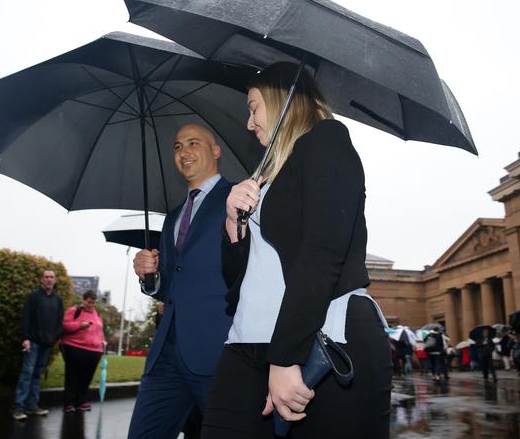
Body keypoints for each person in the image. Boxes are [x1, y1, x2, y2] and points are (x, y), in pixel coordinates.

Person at [201, 63, 392, 439]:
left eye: (254, 107)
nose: (249, 122)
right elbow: (240, 282)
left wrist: (286, 355)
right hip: (247, 342)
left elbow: (323, 254)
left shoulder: (328, 140)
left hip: (322, 340)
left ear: (280, 100)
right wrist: (233, 227)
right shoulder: (265, 174)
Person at [128, 123, 234, 439]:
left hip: (217, 352)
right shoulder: (173, 217)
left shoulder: (238, 199)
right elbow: (171, 288)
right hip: (167, 355)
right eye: (177, 146)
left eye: (193, 143)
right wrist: (150, 278)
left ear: (215, 151)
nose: (183, 152)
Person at [12, 268, 64, 420]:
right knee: (26, 374)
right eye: (46, 277)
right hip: (33, 342)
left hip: (47, 344)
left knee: (36, 375)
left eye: (51, 277)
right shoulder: (33, 297)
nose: (49, 279)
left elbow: (59, 322)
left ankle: (33, 406)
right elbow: (26, 318)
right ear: (41, 280)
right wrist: (25, 338)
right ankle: (18, 408)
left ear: (54, 280)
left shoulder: (57, 299)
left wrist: (54, 338)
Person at [60, 290, 106, 413]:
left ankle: (81, 401)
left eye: (93, 302)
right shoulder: (75, 311)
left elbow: (100, 331)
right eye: (89, 302)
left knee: (86, 377)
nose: (90, 305)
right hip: (74, 347)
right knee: (72, 376)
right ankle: (69, 403)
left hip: (94, 351)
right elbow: (64, 325)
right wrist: (80, 325)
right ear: (83, 300)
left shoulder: (97, 314)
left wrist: (102, 342)